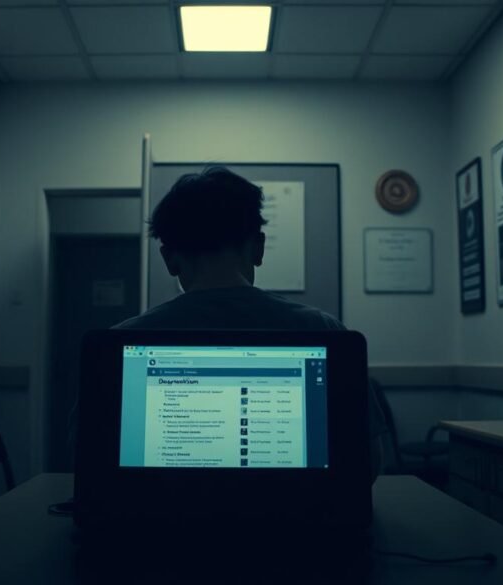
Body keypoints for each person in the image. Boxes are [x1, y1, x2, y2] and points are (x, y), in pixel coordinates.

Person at [114, 166, 387, 479]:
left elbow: (88, 458)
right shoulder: (324, 331)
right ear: (258, 247)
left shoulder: (122, 340)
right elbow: (367, 462)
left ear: (169, 258)